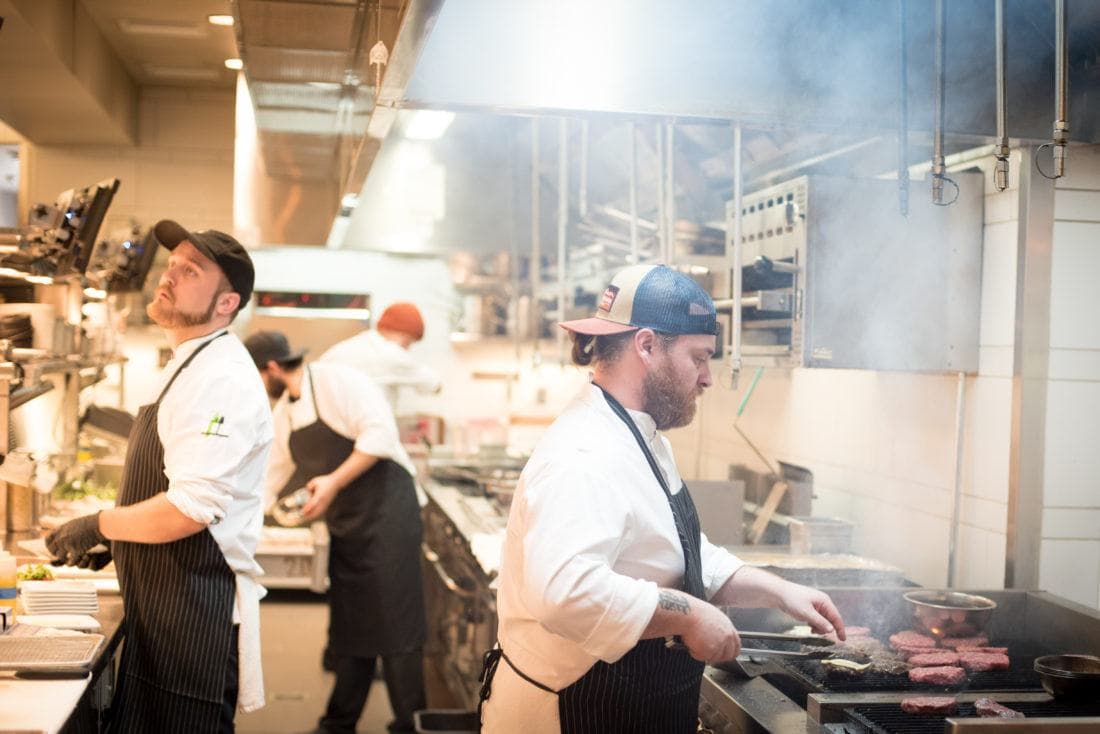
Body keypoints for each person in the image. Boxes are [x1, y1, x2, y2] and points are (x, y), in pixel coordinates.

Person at [478, 264, 847, 734]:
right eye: (699, 357)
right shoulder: (584, 453)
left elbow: (675, 551)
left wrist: (780, 591)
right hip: (572, 713)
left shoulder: (641, 435)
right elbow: (565, 594)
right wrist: (692, 615)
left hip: (630, 708)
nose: (708, 378)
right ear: (647, 345)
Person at [46, 220, 274, 733]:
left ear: (226, 304)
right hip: (168, 617)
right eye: (171, 264)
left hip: (195, 621)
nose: (168, 276)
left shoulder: (220, 378)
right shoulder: (191, 362)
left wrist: (101, 524)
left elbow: (190, 509)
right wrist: (125, 537)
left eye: (190, 271)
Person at [244, 330, 427, 734]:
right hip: (349, 524)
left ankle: (410, 725)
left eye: (255, 375)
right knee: (350, 626)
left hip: (389, 516)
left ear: (272, 368)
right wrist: (240, 533)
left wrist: (332, 483)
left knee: (396, 626)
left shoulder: (337, 381)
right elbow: (268, 482)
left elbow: (380, 436)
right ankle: (338, 723)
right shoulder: (285, 413)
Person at [318, 301, 440, 412]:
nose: (407, 349)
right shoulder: (392, 354)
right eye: (409, 342)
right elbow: (433, 385)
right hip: (364, 430)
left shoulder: (344, 348)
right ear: (403, 334)